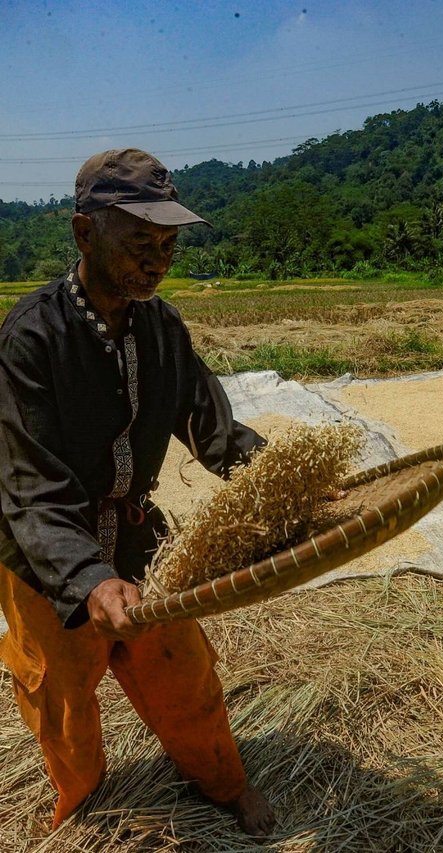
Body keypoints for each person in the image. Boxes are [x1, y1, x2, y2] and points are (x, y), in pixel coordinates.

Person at [0, 149, 275, 839]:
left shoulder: (161, 327)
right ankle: (83, 801)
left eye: (168, 245)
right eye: (141, 242)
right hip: (46, 560)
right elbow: (27, 484)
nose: (158, 260)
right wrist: (90, 578)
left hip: (138, 539)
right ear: (84, 233)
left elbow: (212, 428)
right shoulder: (30, 339)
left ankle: (223, 782)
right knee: (62, 701)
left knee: (185, 678)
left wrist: (284, 480)